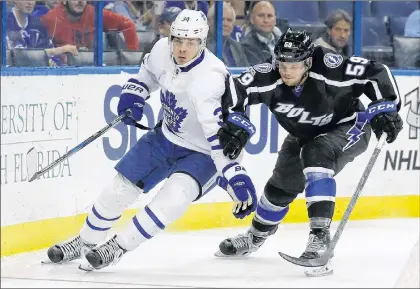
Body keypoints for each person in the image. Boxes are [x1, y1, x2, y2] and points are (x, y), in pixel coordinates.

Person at [45, 9, 257, 271]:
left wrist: (234, 174)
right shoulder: (160, 50)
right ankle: (85, 242)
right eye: (178, 40)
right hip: (167, 135)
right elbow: (147, 75)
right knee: (118, 189)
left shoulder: (208, 80)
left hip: (204, 153)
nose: (182, 48)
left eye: (190, 43)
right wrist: (135, 93)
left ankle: (118, 247)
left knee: (173, 198)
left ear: (202, 43)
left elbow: (217, 140)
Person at [214, 28, 403, 277]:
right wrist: (236, 122)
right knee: (279, 187)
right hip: (303, 135)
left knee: (317, 153)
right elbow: (236, 91)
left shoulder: (331, 67)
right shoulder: (268, 75)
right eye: (281, 63)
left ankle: (320, 238)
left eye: (294, 66)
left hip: (349, 127)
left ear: (308, 62)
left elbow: (377, 72)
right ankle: (254, 237)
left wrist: (385, 106)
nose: (286, 71)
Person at [40, 0, 139, 51]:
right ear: (65, 1)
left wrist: (131, 55)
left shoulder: (94, 13)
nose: (80, 1)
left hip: (91, 69)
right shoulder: (51, 19)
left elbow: (128, 25)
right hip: (62, 71)